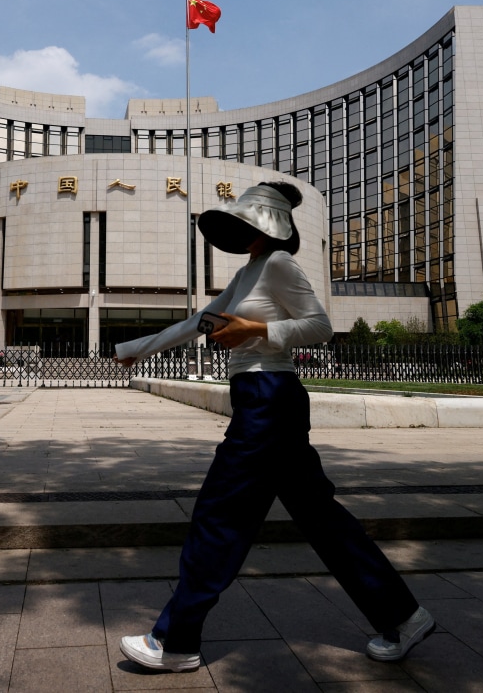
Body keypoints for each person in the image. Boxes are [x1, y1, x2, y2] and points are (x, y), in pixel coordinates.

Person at [114, 181, 433, 673]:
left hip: (269, 398)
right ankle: (403, 616)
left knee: (220, 515)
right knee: (321, 518)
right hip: (261, 399)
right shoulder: (248, 272)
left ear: (268, 223)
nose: (238, 227)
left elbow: (319, 327)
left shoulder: (280, 264)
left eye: (245, 219)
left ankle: (175, 640)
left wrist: (259, 330)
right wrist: (135, 349)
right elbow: (200, 321)